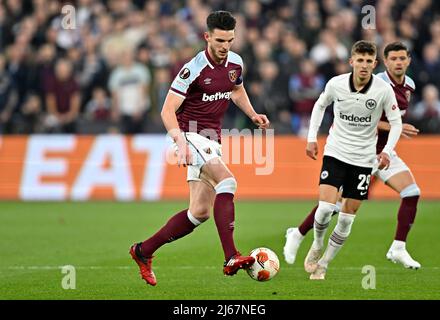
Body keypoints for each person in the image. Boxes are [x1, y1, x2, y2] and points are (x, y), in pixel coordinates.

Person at [129, 11, 270, 286]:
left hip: (213, 139)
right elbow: (167, 110)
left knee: (199, 213)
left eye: (229, 40)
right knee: (227, 182)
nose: (224, 46)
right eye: (219, 40)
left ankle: (143, 251)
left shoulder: (236, 62)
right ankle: (231, 256)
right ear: (207, 37)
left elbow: (236, 90)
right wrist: (179, 142)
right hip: (191, 135)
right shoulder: (192, 69)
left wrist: (252, 114)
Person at [284, 41, 422, 270]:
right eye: (394, 59)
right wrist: (311, 138)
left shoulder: (408, 85)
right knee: (331, 207)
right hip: (349, 150)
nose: (398, 62)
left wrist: (389, 145)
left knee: (411, 192)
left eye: (402, 58)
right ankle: (298, 235)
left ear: (408, 60)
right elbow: (366, 115)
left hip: (377, 155)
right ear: (385, 63)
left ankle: (398, 247)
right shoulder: (374, 83)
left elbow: (390, 119)